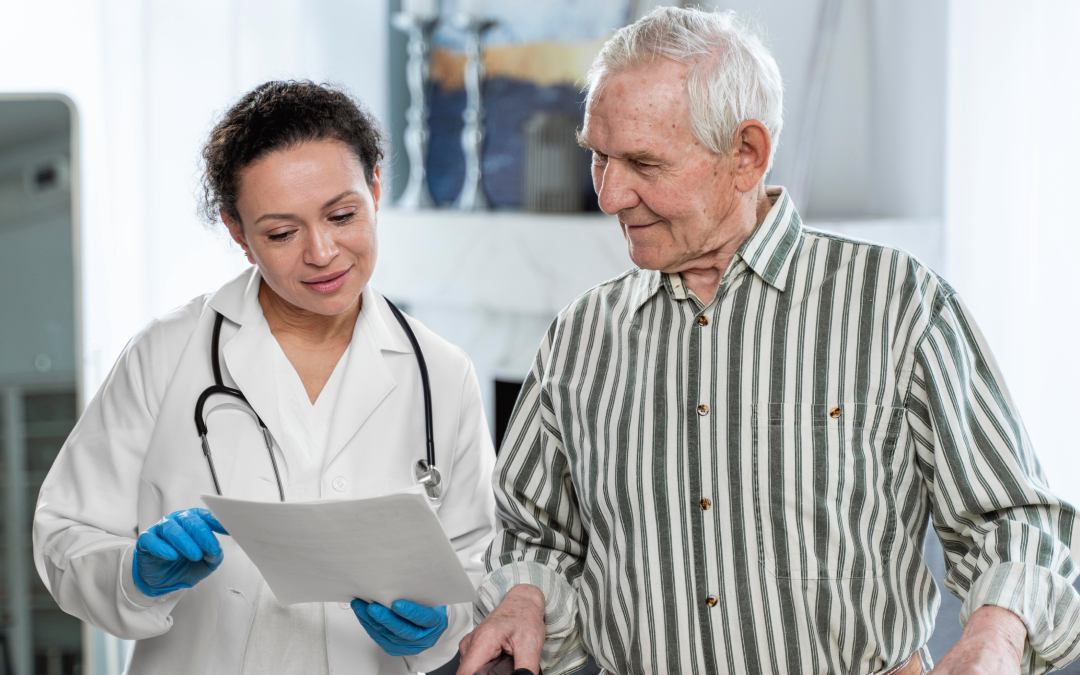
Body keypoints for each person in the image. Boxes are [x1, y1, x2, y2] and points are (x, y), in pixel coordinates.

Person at [457, 8, 1080, 675]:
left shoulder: (895, 303)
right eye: (598, 156)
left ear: (746, 155)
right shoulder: (580, 337)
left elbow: (1013, 520)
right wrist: (523, 594)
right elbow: (535, 535)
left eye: (642, 162)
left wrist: (995, 633)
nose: (609, 195)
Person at [33, 81, 496, 674]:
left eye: (342, 214)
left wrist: (441, 627)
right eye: (282, 233)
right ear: (237, 232)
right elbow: (65, 534)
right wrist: (135, 575)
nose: (322, 252)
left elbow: (476, 566)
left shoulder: (440, 373)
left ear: (376, 188)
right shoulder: (167, 352)